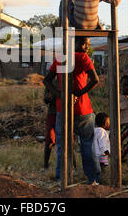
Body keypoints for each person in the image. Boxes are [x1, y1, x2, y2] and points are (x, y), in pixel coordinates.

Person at [43, 36, 100, 185]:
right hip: (82, 110)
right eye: (83, 43)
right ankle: (93, 179)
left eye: (88, 44)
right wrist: (78, 94)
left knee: (63, 145)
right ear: (73, 43)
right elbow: (95, 80)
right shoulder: (83, 57)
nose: (86, 47)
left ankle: (61, 178)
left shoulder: (61, 57)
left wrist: (60, 95)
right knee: (87, 144)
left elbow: (46, 80)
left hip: (63, 109)